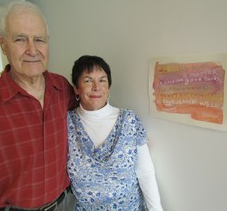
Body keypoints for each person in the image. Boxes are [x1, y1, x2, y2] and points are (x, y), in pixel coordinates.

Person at [0, 1, 77, 211]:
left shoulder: (62, 88)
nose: (32, 50)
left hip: (65, 204)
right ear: (2, 43)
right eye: (20, 39)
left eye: (39, 40)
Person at [67, 55, 164, 211]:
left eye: (102, 80)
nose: (96, 87)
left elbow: (145, 172)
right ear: (76, 88)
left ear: (109, 86)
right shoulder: (66, 124)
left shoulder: (129, 120)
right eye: (88, 80)